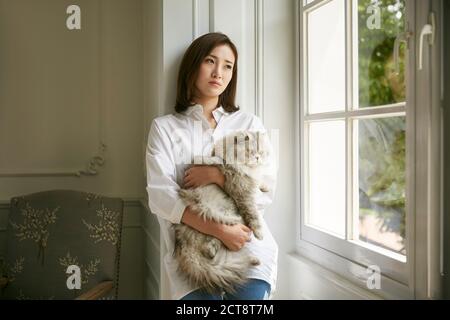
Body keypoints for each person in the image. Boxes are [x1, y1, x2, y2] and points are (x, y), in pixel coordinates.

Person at [145, 32, 278, 300]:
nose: (219, 72)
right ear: (193, 65)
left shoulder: (249, 124)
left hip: (248, 250)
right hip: (192, 258)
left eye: (228, 66)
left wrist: (218, 175)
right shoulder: (165, 128)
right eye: (210, 61)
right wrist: (218, 230)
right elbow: (160, 196)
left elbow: (264, 190)